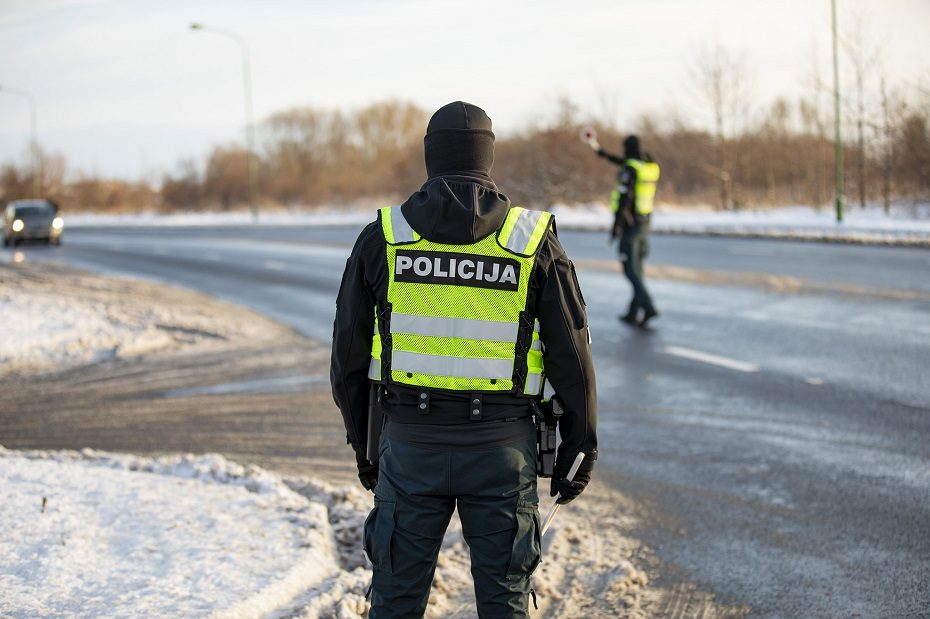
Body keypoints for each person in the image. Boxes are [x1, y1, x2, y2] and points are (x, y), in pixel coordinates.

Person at [331, 101, 598, 618]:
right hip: (502, 452)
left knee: (396, 601)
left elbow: (347, 358)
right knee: (504, 604)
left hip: (408, 448)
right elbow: (573, 358)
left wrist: (365, 448)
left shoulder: (383, 238)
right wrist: (580, 445)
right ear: (488, 157)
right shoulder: (532, 243)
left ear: (431, 156)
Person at [589, 134, 660, 327]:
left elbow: (624, 200)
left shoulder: (630, 169)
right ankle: (633, 311)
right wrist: (602, 153)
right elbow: (625, 163)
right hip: (645, 223)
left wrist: (616, 227)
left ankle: (649, 307)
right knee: (638, 269)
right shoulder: (649, 166)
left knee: (630, 270)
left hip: (630, 225)